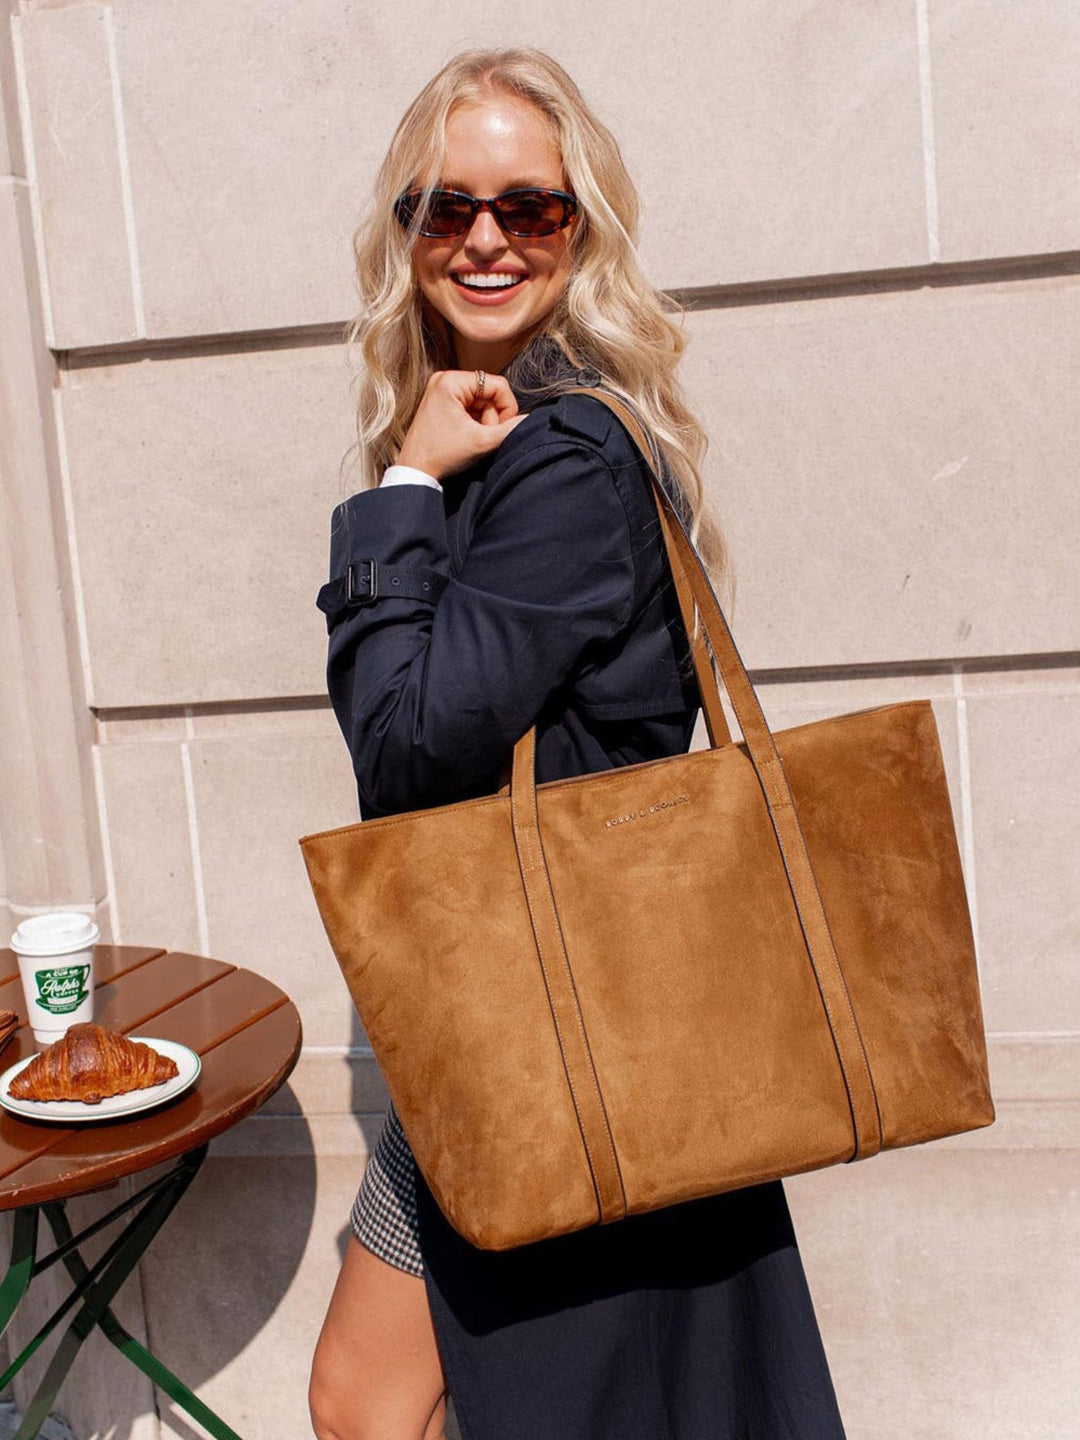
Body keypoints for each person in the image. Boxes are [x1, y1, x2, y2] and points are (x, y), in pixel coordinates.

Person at [308, 46, 847, 1440]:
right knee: (380, 1394)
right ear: (407, 232)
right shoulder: (521, 446)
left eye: (529, 208)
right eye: (447, 207)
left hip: (559, 1028)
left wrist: (404, 487)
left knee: (380, 1401)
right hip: (540, 1015)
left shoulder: (560, 463)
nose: (486, 239)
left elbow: (406, 752)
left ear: (580, 228)